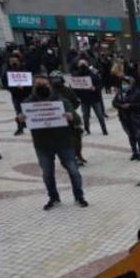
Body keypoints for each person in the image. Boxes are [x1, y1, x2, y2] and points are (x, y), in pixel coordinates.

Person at [18, 75, 88, 211]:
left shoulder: (61, 101)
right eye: (38, 85)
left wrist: (70, 116)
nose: (41, 87)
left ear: (49, 86)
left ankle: (79, 196)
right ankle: (53, 197)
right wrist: (20, 119)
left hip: (63, 141)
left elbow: (76, 118)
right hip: (42, 144)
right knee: (47, 174)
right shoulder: (28, 103)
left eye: (44, 85)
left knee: (73, 170)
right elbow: (23, 120)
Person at [50, 71, 88, 166]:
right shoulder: (49, 92)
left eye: (57, 78)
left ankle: (78, 155)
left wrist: (69, 109)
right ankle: (70, 158)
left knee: (77, 138)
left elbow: (76, 102)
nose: (56, 81)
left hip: (71, 119)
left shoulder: (68, 90)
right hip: (57, 120)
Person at [113, 75, 140, 161]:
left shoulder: (138, 92)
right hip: (124, 117)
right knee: (130, 135)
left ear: (131, 84)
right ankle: (134, 152)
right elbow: (114, 102)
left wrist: (130, 105)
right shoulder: (120, 93)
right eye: (123, 83)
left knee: (138, 135)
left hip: (136, 117)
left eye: (126, 83)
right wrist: (120, 106)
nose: (124, 85)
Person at [73, 59, 109, 136]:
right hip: (84, 99)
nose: (82, 66)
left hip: (95, 98)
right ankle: (87, 129)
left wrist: (95, 88)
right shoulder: (76, 75)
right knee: (85, 116)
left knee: (100, 115)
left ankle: (104, 129)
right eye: (81, 64)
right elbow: (74, 87)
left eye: (84, 64)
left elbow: (100, 84)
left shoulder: (93, 74)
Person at [4, 55, 32, 136]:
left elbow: (30, 82)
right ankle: (20, 127)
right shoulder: (8, 72)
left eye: (15, 61)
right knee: (18, 112)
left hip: (26, 94)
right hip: (16, 95)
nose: (14, 63)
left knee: (29, 110)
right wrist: (13, 87)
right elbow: (5, 84)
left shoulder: (25, 70)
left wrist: (25, 86)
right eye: (12, 61)